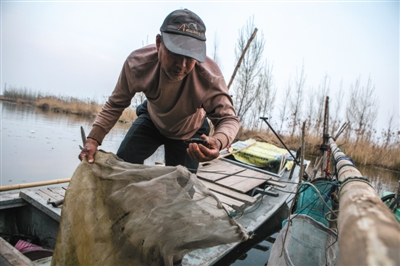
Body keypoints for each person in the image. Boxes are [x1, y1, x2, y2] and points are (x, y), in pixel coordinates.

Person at [79, 8, 239, 173]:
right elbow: (115, 104)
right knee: (122, 166)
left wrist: (218, 142)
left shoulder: (209, 78)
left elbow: (229, 120)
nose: (181, 65)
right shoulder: (138, 64)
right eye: (175, 53)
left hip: (190, 132)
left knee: (182, 187)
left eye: (190, 57)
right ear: (158, 43)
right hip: (153, 120)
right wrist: (93, 140)